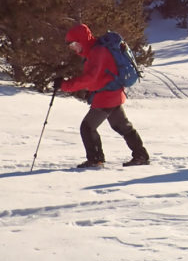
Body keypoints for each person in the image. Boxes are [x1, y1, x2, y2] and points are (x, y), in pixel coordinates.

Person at [53, 23, 150, 168]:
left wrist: (65, 85)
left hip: (106, 98)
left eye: (73, 44)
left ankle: (95, 160)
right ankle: (141, 155)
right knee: (123, 127)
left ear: (81, 40)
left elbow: (90, 78)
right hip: (112, 95)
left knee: (87, 127)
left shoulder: (98, 52)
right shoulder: (94, 51)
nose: (73, 48)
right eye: (70, 46)